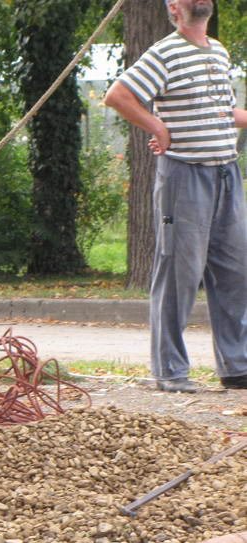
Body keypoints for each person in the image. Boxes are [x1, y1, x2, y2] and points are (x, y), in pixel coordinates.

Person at [104, 0, 247, 393]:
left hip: (227, 173)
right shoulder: (164, 52)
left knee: (237, 273)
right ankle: (170, 370)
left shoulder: (218, 51)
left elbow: (225, 111)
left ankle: (237, 366)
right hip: (185, 176)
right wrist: (157, 126)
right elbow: (118, 96)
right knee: (178, 274)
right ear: (174, 7)